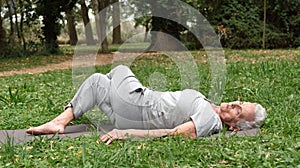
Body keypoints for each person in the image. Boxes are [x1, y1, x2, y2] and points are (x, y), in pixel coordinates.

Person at [27, 65, 267, 145]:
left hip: (139, 104)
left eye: (239, 110)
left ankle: (66, 116)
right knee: (98, 81)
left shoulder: (210, 120)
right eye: (240, 101)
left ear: (235, 126)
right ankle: (60, 122)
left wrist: (128, 133)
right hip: (131, 109)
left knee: (120, 70)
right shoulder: (211, 107)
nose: (235, 104)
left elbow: (174, 134)